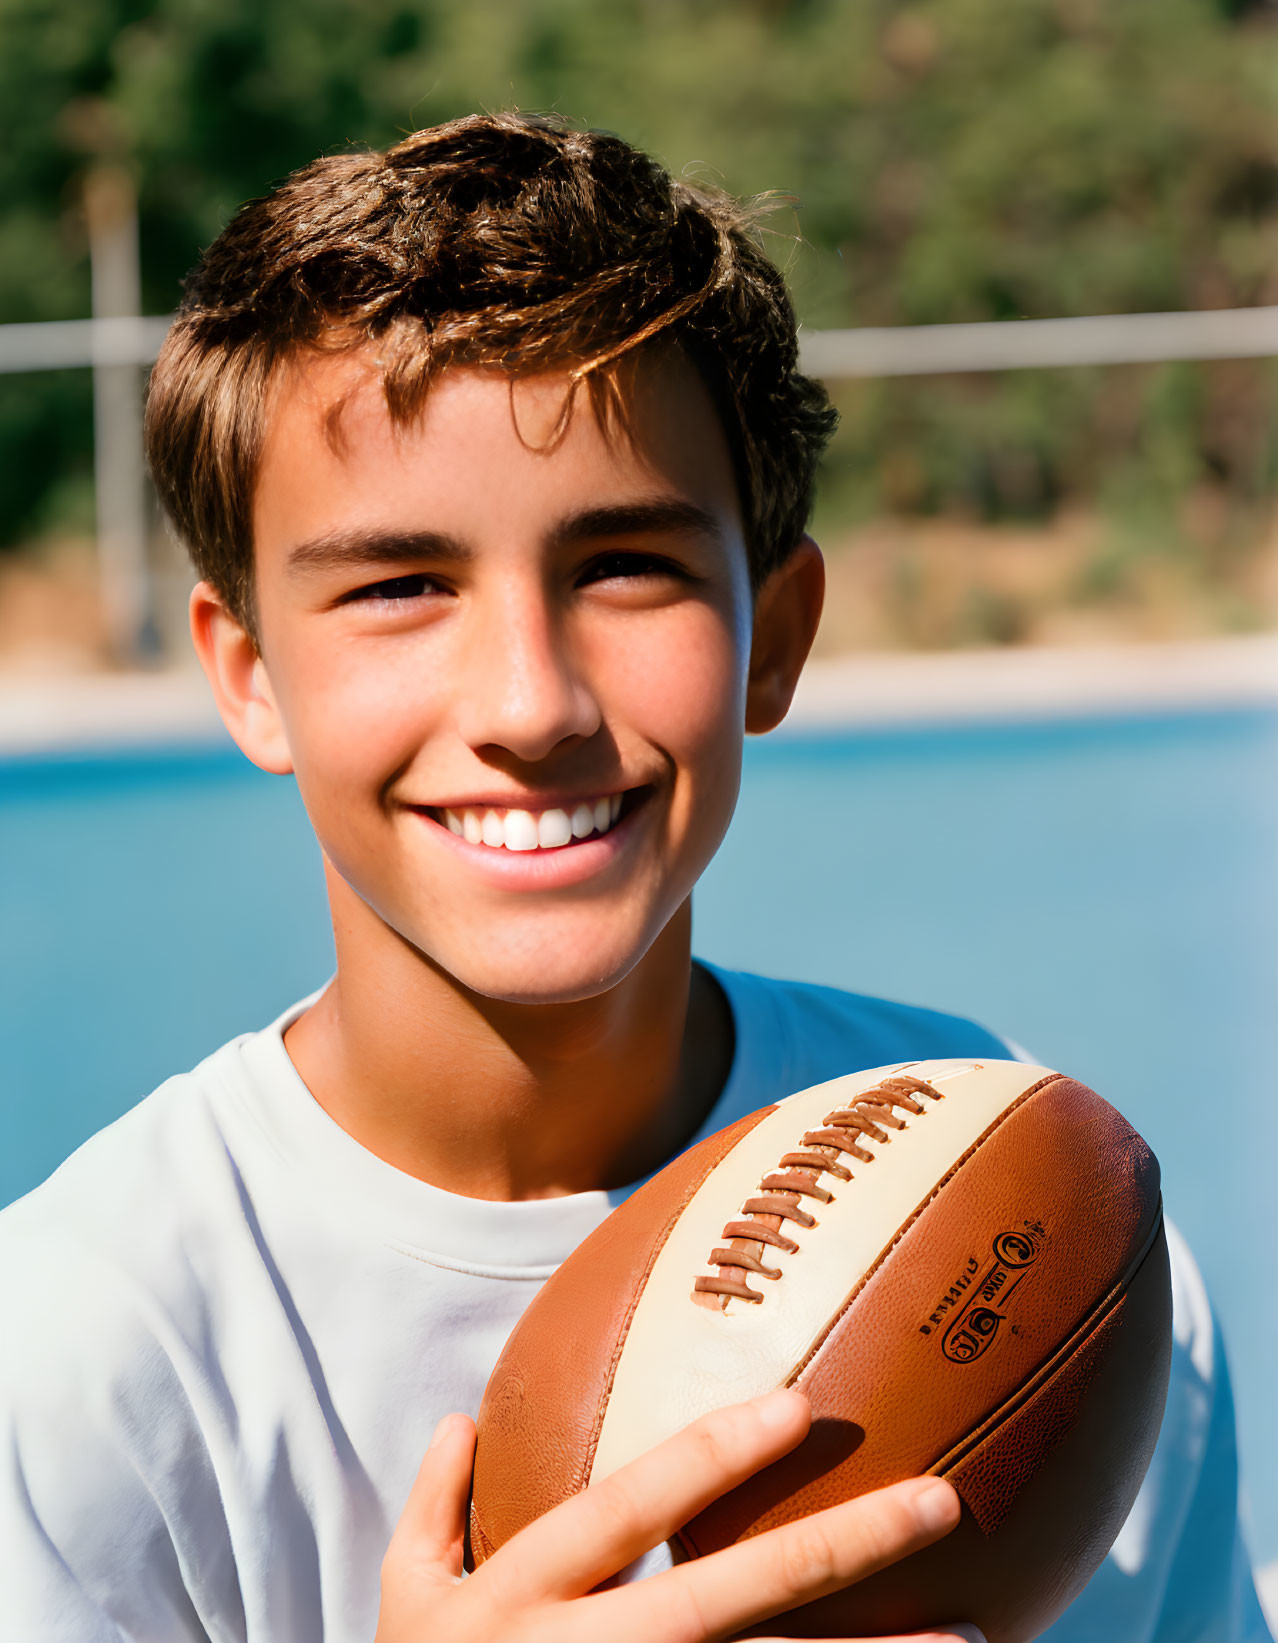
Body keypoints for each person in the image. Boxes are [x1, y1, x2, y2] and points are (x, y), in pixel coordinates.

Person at [0, 112, 1268, 1643]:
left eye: (625, 567)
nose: (530, 704)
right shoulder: (84, 1354)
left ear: (775, 636)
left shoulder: (1041, 1227)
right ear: (250, 673)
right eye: (400, 586)